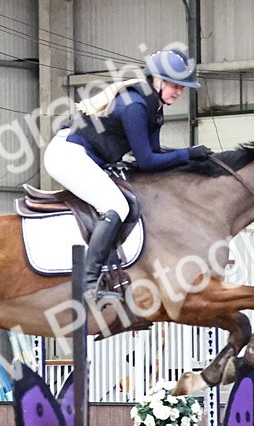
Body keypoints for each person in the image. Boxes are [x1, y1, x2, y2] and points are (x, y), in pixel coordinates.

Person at [43, 48, 214, 298]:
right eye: (174, 85)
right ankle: (88, 283)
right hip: (67, 155)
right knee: (116, 206)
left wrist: (188, 159)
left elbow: (154, 153)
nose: (178, 92)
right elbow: (146, 162)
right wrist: (188, 154)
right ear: (156, 80)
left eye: (182, 87)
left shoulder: (154, 107)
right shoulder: (135, 106)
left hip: (86, 157)